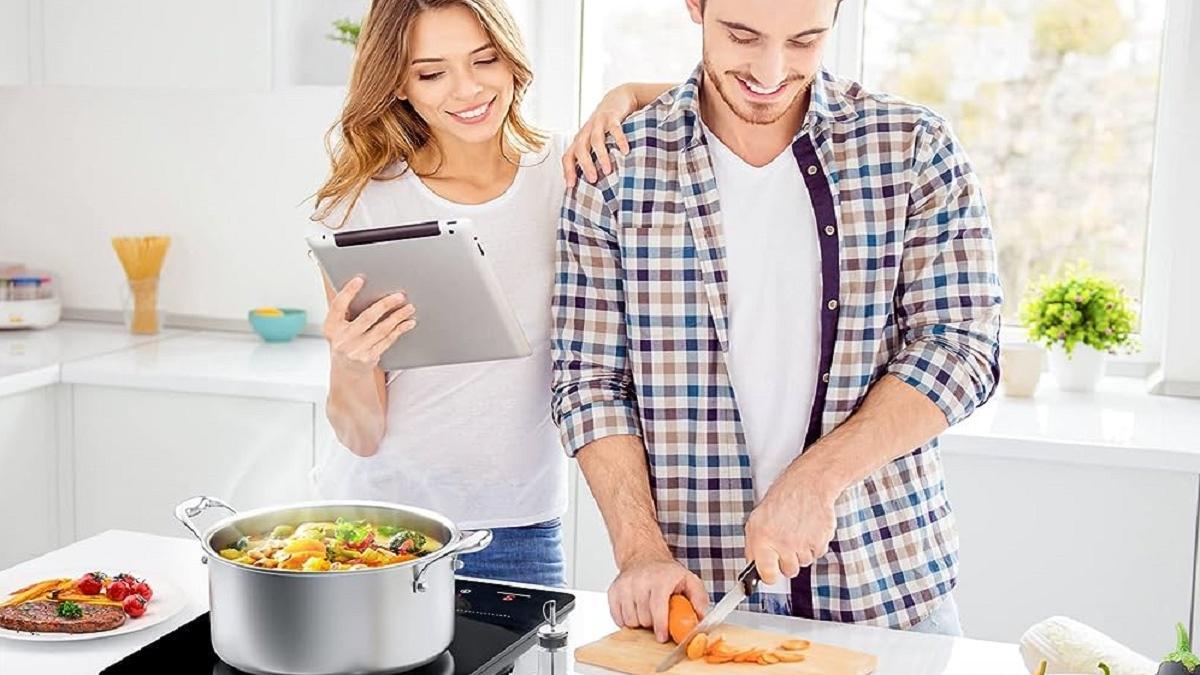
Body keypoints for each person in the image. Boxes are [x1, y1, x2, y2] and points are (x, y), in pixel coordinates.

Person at [553, 0, 1001, 636]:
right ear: (695, 8)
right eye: (743, 36)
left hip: (888, 594)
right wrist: (640, 552)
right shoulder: (616, 169)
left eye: (805, 42)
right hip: (694, 604)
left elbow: (961, 347)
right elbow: (589, 382)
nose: (771, 69)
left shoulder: (912, 149)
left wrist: (817, 479)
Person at [309, 0, 668, 587]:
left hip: (518, 527)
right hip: (373, 529)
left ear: (511, 59)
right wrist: (351, 362)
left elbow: (729, 95)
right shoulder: (359, 206)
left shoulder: (569, 170)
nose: (467, 88)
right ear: (398, 83)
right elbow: (361, 436)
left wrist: (624, 94)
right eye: (432, 72)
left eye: (484, 59)